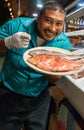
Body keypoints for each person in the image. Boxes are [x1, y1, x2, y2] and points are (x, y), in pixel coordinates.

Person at [0, 1, 71, 130]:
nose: (52, 28)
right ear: (38, 18)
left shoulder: (63, 44)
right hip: (9, 93)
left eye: (59, 24)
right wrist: (7, 42)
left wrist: (46, 64)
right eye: (48, 20)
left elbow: (54, 79)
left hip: (39, 97)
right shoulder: (16, 26)